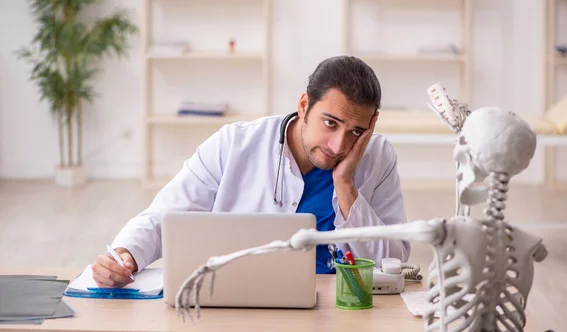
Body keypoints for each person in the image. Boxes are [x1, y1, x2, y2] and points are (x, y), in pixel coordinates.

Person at [92, 55, 410, 287]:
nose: (340, 145)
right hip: (241, 301)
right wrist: (126, 254)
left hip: (340, 308)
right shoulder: (235, 143)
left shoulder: (377, 157)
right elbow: (164, 216)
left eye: (356, 131)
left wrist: (346, 186)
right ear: (304, 106)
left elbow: (392, 261)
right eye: (330, 123)